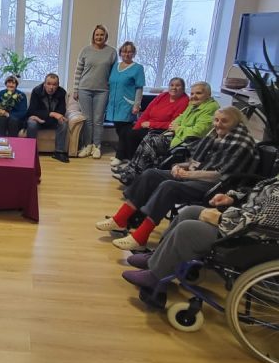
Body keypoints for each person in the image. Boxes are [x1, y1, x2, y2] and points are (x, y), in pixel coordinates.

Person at [96, 107, 259, 251]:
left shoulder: (240, 143)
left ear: (236, 123)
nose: (218, 124)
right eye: (216, 120)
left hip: (218, 187)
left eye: (224, 121)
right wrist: (179, 166)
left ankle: (140, 238)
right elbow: (197, 163)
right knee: (151, 174)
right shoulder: (217, 138)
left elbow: (220, 174)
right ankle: (121, 219)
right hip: (199, 176)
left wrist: (188, 174)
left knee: (169, 186)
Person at [121, 175, 279, 291]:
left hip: (248, 239)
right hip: (242, 224)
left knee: (188, 229)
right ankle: (158, 258)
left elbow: (262, 222)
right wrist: (231, 198)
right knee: (190, 212)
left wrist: (222, 218)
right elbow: (255, 196)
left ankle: (156, 276)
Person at [114, 81, 219, 185]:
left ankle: (132, 174)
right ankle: (132, 171)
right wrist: (176, 126)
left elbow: (197, 132)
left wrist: (178, 128)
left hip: (188, 143)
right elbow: (180, 118)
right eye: (192, 93)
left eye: (198, 93)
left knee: (151, 141)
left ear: (208, 94)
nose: (194, 96)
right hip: (177, 136)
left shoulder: (210, 108)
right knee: (148, 137)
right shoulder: (193, 104)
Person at [111, 77, 188, 169]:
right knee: (126, 129)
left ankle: (133, 161)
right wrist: (137, 126)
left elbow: (173, 124)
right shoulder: (163, 96)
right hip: (149, 124)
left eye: (178, 85)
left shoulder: (184, 101)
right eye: (172, 85)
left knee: (133, 133)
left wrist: (151, 124)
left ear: (183, 88)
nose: (174, 88)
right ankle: (121, 157)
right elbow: (147, 112)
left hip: (162, 130)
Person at [73, 25, 117, 159]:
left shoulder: (112, 52)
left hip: (103, 91)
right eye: (97, 35)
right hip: (84, 89)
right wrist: (75, 89)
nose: (99, 37)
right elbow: (78, 71)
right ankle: (87, 145)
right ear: (93, 36)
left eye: (102, 35)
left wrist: (113, 92)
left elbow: (114, 74)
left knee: (98, 120)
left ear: (105, 36)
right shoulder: (85, 51)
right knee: (87, 120)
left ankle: (97, 146)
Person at [105, 42, 146, 165]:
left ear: (133, 53)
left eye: (129, 51)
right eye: (124, 51)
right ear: (120, 53)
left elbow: (139, 88)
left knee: (124, 131)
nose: (126, 54)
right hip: (114, 104)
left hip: (127, 104)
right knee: (119, 130)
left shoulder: (138, 68)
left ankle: (119, 156)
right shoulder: (115, 66)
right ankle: (126, 155)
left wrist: (137, 105)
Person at [26, 73, 69, 163]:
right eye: (48, 84)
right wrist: (51, 113)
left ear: (58, 85)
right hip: (39, 120)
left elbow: (61, 111)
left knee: (63, 123)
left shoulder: (61, 92)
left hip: (52, 120)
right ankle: (30, 151)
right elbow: (32, 111)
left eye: (54, 84)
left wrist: (53, 116)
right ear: (44, 84)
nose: (51, 87)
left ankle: (59, 152)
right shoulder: (37, 91)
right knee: (31, 122)